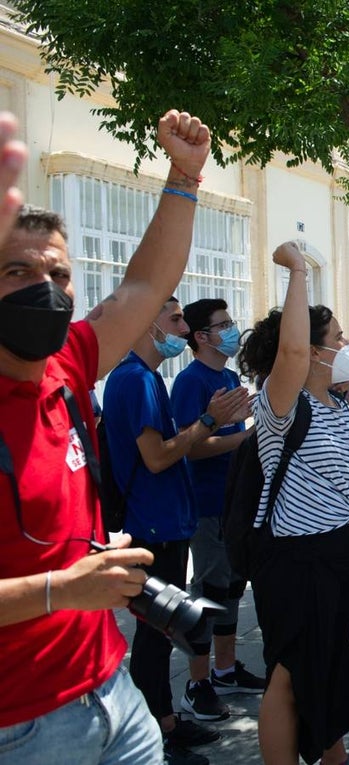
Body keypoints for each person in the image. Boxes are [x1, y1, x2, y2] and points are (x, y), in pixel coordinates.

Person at [0, 110, 213, 765]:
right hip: (26, 727)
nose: (46, 288)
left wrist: (183, 177)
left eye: (59, 275)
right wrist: (62, 589)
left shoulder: (68, 365)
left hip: (111, 691)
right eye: (17, 272)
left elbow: (147, 284)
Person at [236, 241, 349, 765]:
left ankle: (335, 756)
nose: (347, 345)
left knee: (333, 666)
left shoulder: (336, 406)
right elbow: (292, 354)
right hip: (295, 557)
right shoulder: (283, 402)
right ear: (315, 348)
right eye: (339, 337)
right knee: (290, 673)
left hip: (340, 551)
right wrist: (299, 270)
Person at [102, 296, 251, 765]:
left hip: (168, 521)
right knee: (154, 635)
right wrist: (210, 421)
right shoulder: (134, 380)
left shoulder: (144, 379)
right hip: (154, 526)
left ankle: (165, 722)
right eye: (174, 318)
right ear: (147, 326)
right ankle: (156, 735)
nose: (183, 328)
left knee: (161, 633)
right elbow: (159, 456)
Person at [171, 299, 264, 708]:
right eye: (222, 325)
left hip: (234, 501)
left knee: (230, 588)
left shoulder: (228, 376)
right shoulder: (191, 382)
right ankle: (197, 683)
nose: (231, 330)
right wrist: (246, 438)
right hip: (207, 503)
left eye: (231, 322)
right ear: (201, 337)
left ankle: (225, 671)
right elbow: (190, 448)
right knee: (207, 592)